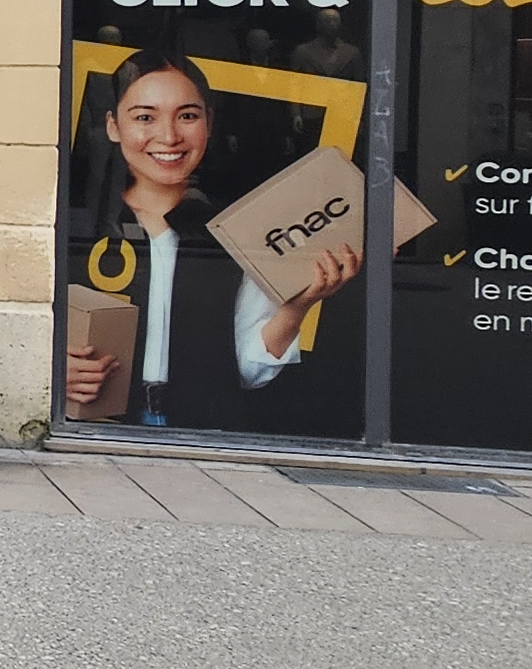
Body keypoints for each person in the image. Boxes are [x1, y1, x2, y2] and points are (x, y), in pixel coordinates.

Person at [60, 50, 353, 430]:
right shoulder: (77, 226)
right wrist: (50, 366)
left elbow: (247, 370)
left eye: (187, 116)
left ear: (209, 123)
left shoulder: (232, 233)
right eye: (145, 117)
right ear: (113, 126)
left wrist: (296, 308)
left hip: (201, 428)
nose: (169, 136)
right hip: (93, 430)